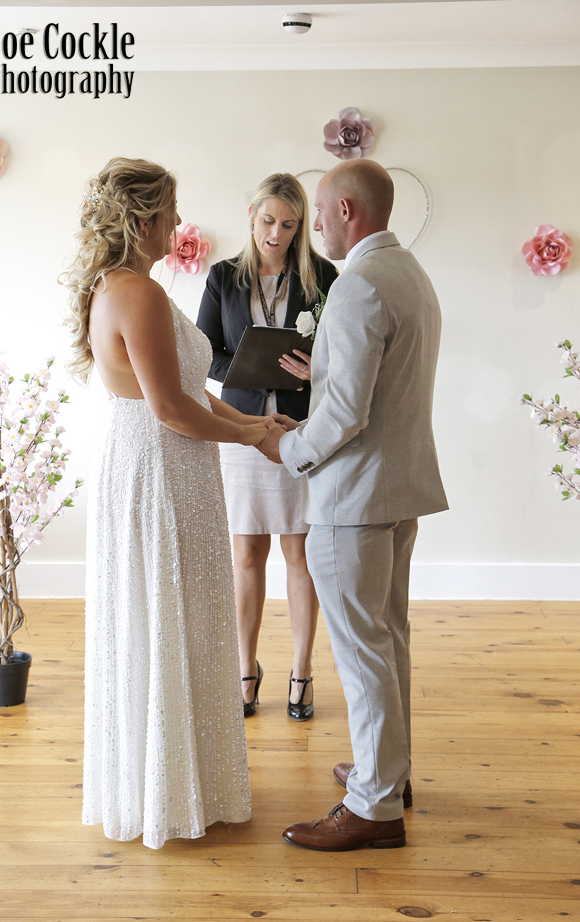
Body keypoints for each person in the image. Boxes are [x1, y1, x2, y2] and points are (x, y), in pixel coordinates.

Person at [63, 157, 273, 849]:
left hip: (158, 461)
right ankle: (173, 789)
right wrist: (252, 437)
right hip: (160, 466)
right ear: (142, 218)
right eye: (170, 211)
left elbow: (188, 392)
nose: (179, 222)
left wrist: (253, 425)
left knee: (169, 612)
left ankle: (171, 782)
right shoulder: (139, 293)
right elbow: (172, 409)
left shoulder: (121, 286)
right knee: (172, 611)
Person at [258, 159, 448, 851]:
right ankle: (387, 775)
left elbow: (343, 416)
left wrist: (286, 447)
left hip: (354, 499)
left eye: (319, 211)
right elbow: (381, 381)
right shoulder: (409, 274)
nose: (313, 226)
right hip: (398, 489)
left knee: (364, 650)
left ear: (345, 210)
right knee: (387, 637)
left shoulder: (357, 284)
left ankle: (372, 807)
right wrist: (327, 368)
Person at [197, 173, 337, 721]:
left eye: (289, 224)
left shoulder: (323, 277)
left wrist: (315, 367)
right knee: (247, 553)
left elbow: (342, 352)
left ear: (301, 227)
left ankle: (302, 670)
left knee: (300, 554)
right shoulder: (222, 278)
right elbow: (205, 353)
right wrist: (250, 367)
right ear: (252, 216)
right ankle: (245, 670)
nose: (276, 234)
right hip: (243, 428)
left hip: (302, 429)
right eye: (268, 221)